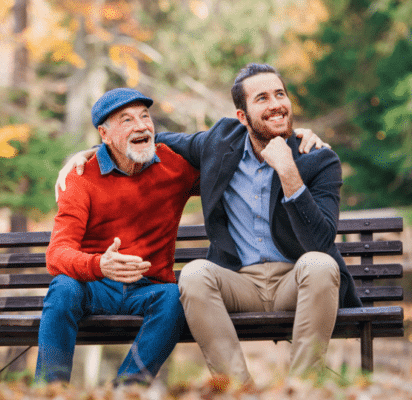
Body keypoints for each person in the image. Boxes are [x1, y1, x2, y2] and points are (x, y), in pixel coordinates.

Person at [57, 64, 360, 384]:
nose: (275, 104)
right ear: (242, 117)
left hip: (297, 280)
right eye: (262, 98)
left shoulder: (317, 159)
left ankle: (302, 388)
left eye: (280, 94)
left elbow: (321, 241)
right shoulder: (218, 143)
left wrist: (288, 172)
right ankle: (237, 389)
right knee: (194, 273)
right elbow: (145, 138)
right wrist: (91, 151)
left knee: (320, 264)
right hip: (239, 283)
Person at [36, 88, 200, 386]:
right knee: (62, 288)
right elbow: (57, 254)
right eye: (126, 120)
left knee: (174, 298)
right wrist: (100, 265)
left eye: (145, 116)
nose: (141, 125)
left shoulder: (175, 166)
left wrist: (296, 140)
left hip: (148, 289)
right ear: (105, 134)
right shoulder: (81, 176)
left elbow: (228, 163)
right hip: (94, 287)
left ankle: (127, 390)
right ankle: (49, 390)